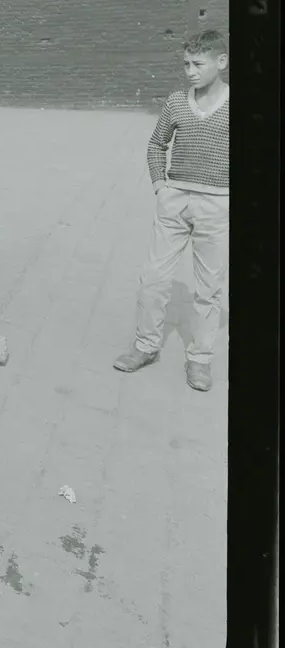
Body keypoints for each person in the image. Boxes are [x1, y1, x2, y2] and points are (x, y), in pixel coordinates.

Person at [115, 29, 230, 392]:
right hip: (175, 202)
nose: (190, 72)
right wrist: (160, 187)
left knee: (209, 289)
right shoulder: (177, 102)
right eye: (186, 64)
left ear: (221, 62)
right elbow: (156, 145)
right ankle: (146, 346)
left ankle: (200, 359)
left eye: (198, 64)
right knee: (152, 278)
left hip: (217, 205)